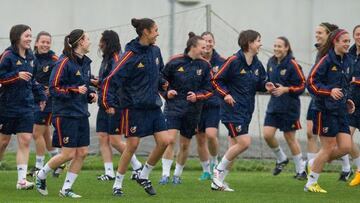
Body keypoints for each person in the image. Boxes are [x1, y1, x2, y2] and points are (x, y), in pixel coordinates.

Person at [101, 18, 170, 197]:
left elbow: (159, 73)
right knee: (132, 145)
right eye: (155, 30)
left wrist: (163, 84)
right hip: (134, 107)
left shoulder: (155, 51)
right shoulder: (129, 56)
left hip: (153, 105)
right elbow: (110, 80)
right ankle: (117, 184)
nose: (158, 33)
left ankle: (144, 175)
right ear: (145, 32)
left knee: (164, 142)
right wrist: (107, 103)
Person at [35, 29, 97, 198]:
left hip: (81, 113)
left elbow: (83, 85)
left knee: (82, 152)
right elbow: (54, 89)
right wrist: (75, 90)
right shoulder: (63, 62)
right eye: (88, 39)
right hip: (65, 114)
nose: (90, 42)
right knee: (68, 154)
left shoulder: (85, 62)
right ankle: (41, 175)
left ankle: (66, 189)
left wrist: (90, 93)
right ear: (80, 42)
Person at [211, 30, 267, 191]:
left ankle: (219, 182)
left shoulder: (257, 64)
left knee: (233, 148)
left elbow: (261, 83)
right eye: (258, 40)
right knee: (244, 143)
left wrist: (267, 86)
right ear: (249, 43)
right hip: (232, 110)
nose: (260, 44)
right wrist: (226, 95)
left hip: (246, 111)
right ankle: (217, 172)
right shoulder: (233, 61)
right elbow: (216, 81)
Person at [305, 29, 354, 193]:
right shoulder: (325, 60)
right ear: (335, 42)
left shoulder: (348, 61)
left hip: (340, 111)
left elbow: (345, 85)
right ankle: (311, 183)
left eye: (348, 41)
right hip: (324, 110)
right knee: (328, 147)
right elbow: (310, 82)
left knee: (346, 147)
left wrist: (347, 100)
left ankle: (313, 163)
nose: (347, 44)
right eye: (344, 41)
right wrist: (329, 91)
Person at [159, 32, 212, 185]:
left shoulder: (205, 65)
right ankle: (164, 175)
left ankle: (177, 174)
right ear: (193, 47)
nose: (205, 50)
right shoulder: (175, 61)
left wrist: (197, 96)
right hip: (173, 107)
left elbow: (209, 89)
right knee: (169, 140)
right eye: (203, 47)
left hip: (193, 110)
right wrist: (166, 92)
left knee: (185, 144)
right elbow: (160, 80)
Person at [0, 24, 46, 190]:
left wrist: (41, 96)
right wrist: (15, 76)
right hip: (7, 106)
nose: (29, 39)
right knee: (3, 142)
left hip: (26, 106)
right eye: (27, 36)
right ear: (17, 37)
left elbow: (32, 79)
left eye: (30, 36)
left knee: (25, 140)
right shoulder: (7, 55)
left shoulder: (31, 57)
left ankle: (21, 181)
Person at [94, 30, 142, 181]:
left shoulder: (117, 58)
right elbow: (106, 81)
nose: (99, 44)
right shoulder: (106, 58)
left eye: (102, 40)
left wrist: (111, 103)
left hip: (114, 104)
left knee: (115, 140)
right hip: (104, 103)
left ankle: (137, 166)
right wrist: (97, 82)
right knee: (102, 137)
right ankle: (109, 172)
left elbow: (117, 84)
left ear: (108, 42)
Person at [263, 36, 307, 180]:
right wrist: (268, 86)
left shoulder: (293, 64)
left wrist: (286, 89)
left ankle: (301, 170)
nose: (276, 49)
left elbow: (302, 85)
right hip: (274, 106)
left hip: (289, 107)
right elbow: (267, 80)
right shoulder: (270, 62)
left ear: (287, 48)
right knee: (267, 135)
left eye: (280, 46)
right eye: (275, 46)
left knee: (290, 138)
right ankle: (281, 158)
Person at [27, 31, 64, 178]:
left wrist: (51, 88)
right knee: (45, 134)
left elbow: (61, 76)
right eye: (42, 42)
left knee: (36, 133)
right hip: (34, 100)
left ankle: (39, 166)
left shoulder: (55, 59)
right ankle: (58, 161)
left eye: (48, 42)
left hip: (47, 103)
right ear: (36, 43)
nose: (45, 44)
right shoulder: (31, 58)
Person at [195, 31, 225, 181]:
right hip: (197, 105)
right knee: (200, 138)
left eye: (210, 41)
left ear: (214, 43)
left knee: (211, 135)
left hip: (214, 104)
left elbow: (227, 80)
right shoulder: (194, 60)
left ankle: (214, 163)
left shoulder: (221, 62)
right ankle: (206, 170)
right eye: (205, 41)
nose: (207, 44)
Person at [347, 25, 360, 186]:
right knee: (345, 138)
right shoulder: (349, 54)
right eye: (357, 34)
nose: (359, 37)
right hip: (351, 104)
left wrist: (356, 81)